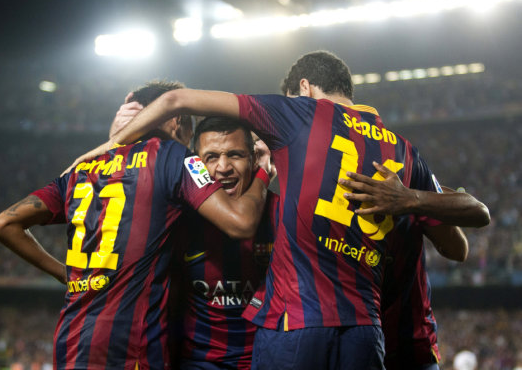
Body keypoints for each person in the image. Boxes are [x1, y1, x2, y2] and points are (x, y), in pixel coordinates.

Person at [66, 50, 490, 369]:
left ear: (304, 90)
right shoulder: (401, 150)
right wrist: (410, 201)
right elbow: (461, 239)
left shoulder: (298, 117)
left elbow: (176, 106)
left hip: (295, 326)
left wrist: (109, 146)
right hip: (368, 331)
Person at [0, 81, 272, 370]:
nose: (189, 144)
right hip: (132, 350)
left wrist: (65, 275)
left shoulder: (79, 171)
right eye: (188, 130)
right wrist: (265, 170)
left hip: (70, 343)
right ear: (176, 120)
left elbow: (3, 224)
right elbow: (240, 222)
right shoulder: (174, 158)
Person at [340, 166, 489, 369]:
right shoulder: (404, 178)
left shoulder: (402, 183)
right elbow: (458, 249)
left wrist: (414, 198)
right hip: (381, 341)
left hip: (398, 346)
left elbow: (460, 245)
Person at [170, 116, 279, 369]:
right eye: (211, 157)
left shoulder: (281, 213)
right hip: (197, 363)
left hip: (266, 360)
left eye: (235, 155)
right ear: (196, 164)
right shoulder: (179, 219)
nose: (223, 167)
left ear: (253, 159)